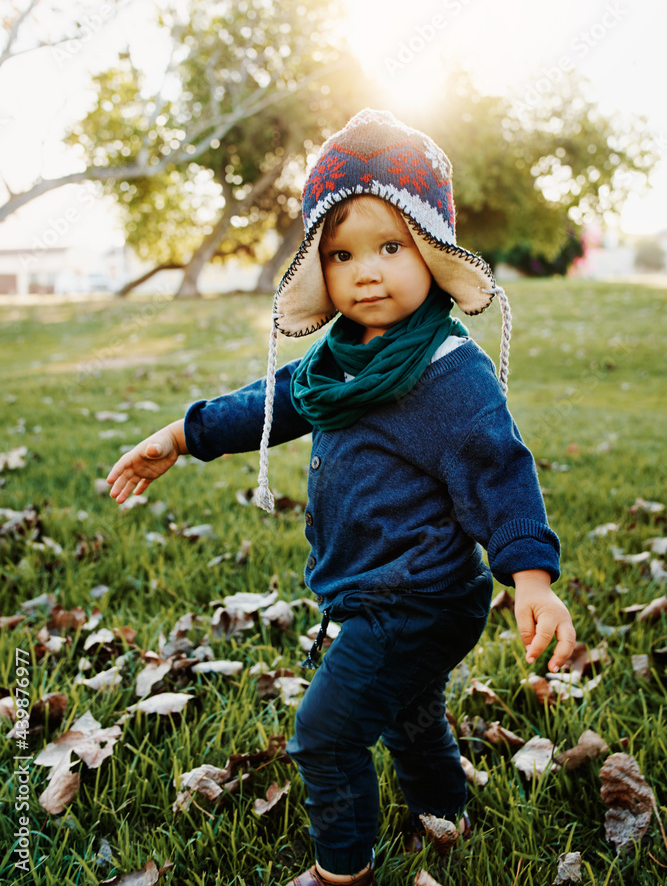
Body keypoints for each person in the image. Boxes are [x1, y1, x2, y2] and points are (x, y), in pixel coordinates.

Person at [107, 109, 577, 886]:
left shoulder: (446, 371)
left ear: (431, 250)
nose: (366, 271)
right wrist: (183, 435)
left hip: (418, 599)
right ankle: (445, 816)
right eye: (341, 253)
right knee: (410, 714)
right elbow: (274, 399)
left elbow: (500, 472)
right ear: (316, 268)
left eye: (391, 247)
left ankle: (341, 871)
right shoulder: (339, 361)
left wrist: (531, 579)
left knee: (325, 734)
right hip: (377, 589)